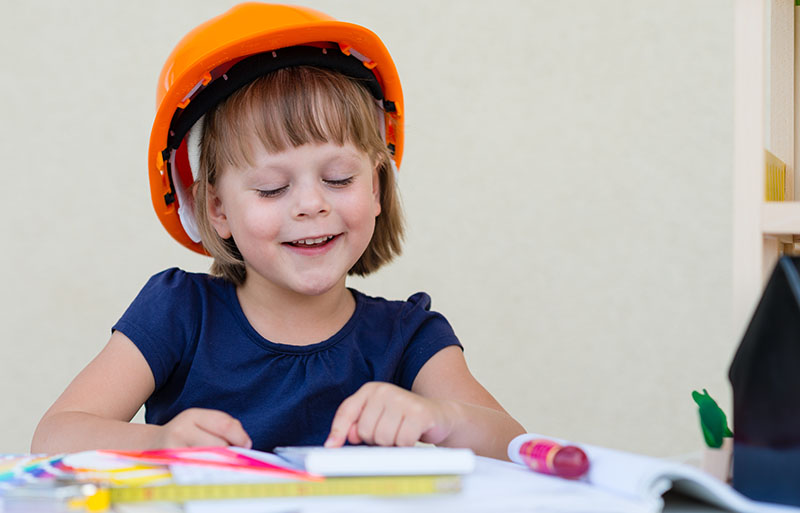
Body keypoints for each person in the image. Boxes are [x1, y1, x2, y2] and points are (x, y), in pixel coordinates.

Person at [31, 3, 525, 460]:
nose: (312, 204)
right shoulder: (179, 312)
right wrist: (160, 442)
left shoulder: (407, 336)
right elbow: (55, 436)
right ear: (218, 207)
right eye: (271, 188)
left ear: (376, 187)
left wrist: (440, 418)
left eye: (338, 179)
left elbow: (516, 447)